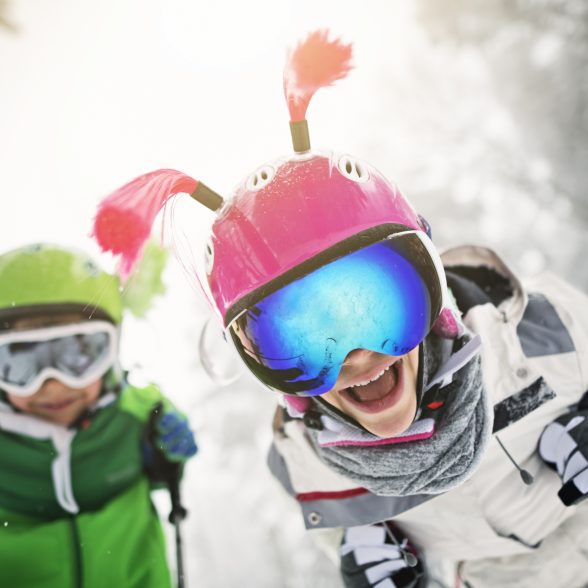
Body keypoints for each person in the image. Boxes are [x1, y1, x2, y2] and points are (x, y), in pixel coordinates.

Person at [91, 31, 588, 588]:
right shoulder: (304, 461)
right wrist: (374, 566)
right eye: (298, 341)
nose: (358, 354)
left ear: (435, 296)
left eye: (379, 306)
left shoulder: (545, 331)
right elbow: (354, 541)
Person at [0, 243, 198, 587]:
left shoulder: (135, 417)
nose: (53, 386)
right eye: (19, 361)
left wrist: (165, 451)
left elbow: (154, 416)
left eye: (79, 354)